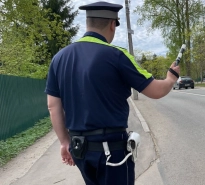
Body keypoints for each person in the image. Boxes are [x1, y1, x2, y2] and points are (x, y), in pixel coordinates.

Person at [45, 1, 180, 185]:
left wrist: (64, 142)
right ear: (112, 24)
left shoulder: (59, 58)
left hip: (79, 150)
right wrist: (171, 79)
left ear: (88, 23)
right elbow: (156, 91)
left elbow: (53, 106)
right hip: (111, 153)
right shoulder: (117, 55)